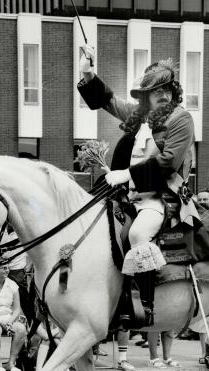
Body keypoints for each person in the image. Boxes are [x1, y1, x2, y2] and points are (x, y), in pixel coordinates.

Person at [78, 47, 197, 318]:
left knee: (137, 235)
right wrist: (87, 72)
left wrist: (127, 174)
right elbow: (108, 101)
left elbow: (167, 163)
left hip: (161, 197)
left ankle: (145, 305)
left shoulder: (182, 119)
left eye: (167, 89)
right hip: (128, 197)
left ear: (174, 92)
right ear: (146, 97)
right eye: (156, 91)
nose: (163, 95)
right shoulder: (141, 117)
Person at [0, 224, 33, 325]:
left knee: (23, 298)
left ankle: (32, 322)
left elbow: (32, 251)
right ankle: (0, 324)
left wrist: (29, 265)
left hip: (17, 270)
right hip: (0, 270)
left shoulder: (23, 233)